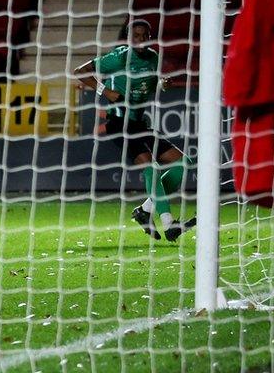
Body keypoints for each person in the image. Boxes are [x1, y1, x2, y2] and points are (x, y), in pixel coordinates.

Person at [74, 19, 196, 242]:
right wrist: (106, 92)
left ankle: (145, 211)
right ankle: (169, 223)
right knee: (152, 168)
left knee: (183, 163)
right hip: (119, 124)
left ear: (149, 37)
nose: (139, 40)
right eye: (135, 36)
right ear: (129, 39)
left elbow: (148, 84)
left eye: (143, 36)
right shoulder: (119, 57)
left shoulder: (153, 58)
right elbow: (80, 72)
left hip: (139, 124)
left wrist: (162, 85)